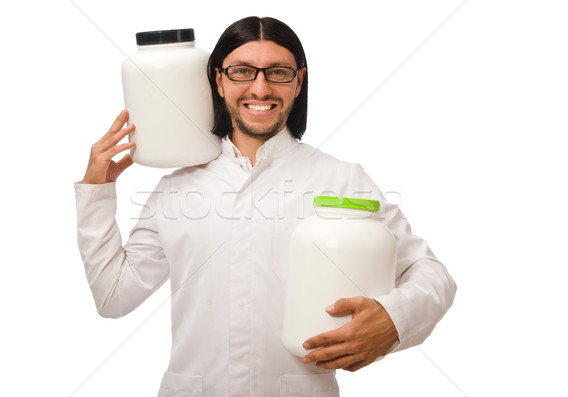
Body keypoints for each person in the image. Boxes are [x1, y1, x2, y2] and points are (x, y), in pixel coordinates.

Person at [75, 16, 456, 397]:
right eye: (242, 71)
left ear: (298, 82)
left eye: (277, 72)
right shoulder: (175, 189)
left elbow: (430, 273)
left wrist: (394, 319)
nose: (260, 88)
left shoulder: (341, 180)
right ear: (218, 80)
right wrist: (97, 189)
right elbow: (114, 296)